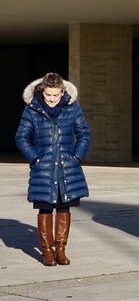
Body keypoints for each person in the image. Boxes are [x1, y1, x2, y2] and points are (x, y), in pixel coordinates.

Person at [16, 73, 90, 266]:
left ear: (62, 92)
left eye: (55, 95)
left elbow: (84, 134)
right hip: (44, 168)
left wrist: (76, 157)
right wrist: (35, 158)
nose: (51, 99)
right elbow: (21, 137)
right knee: (45, 208)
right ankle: (47, 251)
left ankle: (61, 250)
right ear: (42, 91)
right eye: (48, 95)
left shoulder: (72, 108)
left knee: (64, 206)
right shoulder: (32, 109)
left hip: (67, 167)